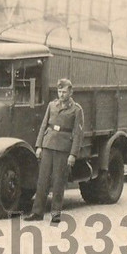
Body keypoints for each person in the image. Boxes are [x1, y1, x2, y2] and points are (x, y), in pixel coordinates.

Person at [24, 78, 84, 225]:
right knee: (42, 181)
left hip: (63, 148)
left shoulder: (76, 110)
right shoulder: (52, 105)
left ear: (70, 92)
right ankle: (37, 212)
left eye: (64, 92)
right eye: (59, 91)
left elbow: (78, 133)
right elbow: (44, 125)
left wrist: (73, 154)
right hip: (48, 145)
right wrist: (38, 146)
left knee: (58, 181)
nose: (61, 94)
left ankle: (56, 214)